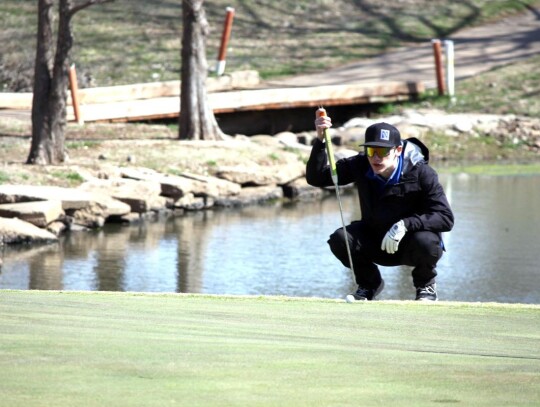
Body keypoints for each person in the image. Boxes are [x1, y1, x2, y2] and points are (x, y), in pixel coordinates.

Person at [306, 109, 454, 301]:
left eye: (383, 151)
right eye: (371, 150)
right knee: (340, 238)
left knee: (427, 242)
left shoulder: (421, 173)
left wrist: (406, 224)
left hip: (410, 243)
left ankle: (425, 286)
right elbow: (317, 177)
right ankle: (369, 285)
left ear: (398, 150)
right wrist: (320, 141)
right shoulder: (361, 164)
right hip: (376, 238)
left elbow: (445, 217)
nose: (376, 158)